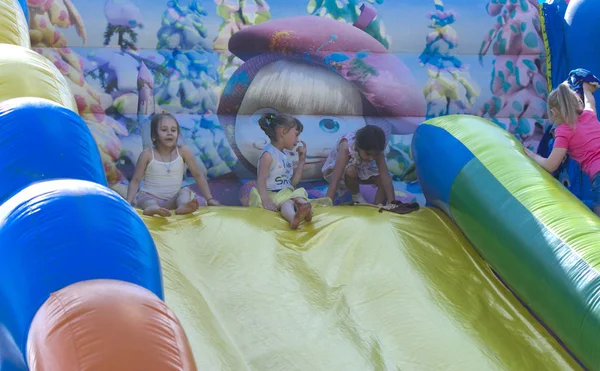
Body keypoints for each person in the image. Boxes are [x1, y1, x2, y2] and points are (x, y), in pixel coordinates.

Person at [525, 81, 600, 216]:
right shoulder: (589, 115)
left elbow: (551, 165)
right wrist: (587, 89)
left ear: (554, 112)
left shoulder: (564, 131)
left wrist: (532, 155)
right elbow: (590, 102)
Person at [126, 113, 220, 217]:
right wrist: (128, 202)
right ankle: (152, 208)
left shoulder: (183, 152)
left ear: (178, 134)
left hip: (172, 201)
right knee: (148, 201)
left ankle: (183, 206)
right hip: (150, 196)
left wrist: (209, 199)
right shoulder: (147, 154)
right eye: (164, 130)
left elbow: (198, 175)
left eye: (173, 130)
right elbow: (135, 180)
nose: (169, 133)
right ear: (154, 136)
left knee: (185, 191)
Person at [249, 113, 312, 229]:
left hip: (286, 192)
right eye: (296, 135)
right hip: (273, 193)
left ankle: (304, 209)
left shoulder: (285, 155)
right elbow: (261, 179)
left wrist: (301, 161)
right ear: (283, 132)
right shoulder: (268, 154)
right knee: (287, 202)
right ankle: (293, 218)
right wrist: (266, 200)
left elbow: (293, 183)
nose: (298, 140)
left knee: (300, 194)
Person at [322, 125, 396, 206]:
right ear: (357, 146)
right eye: (368, 154)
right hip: (342, 172)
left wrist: (392, 203)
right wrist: (327, 204)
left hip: (363, 169)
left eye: (375, 155)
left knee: (383, 180)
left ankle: (378, 205)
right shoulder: (346, 146)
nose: (371, 158)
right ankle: (357, 197)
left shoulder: (377, 149)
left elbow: (385, 178)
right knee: (350, 171)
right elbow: (334, 180)